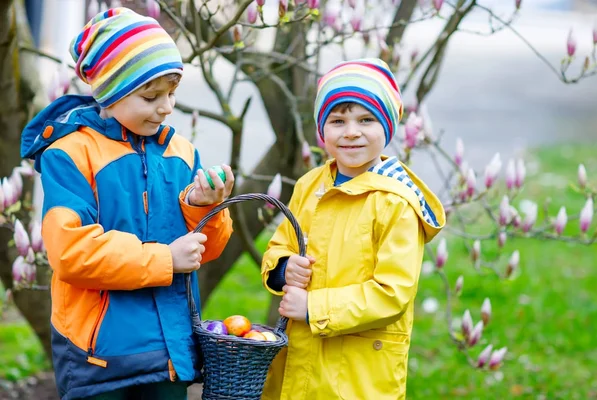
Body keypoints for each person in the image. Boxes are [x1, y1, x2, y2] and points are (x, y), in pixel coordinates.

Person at [20, 7, 234, 400]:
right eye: (151, 96)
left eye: (172, 94)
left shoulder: (182, 153)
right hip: (100, 358)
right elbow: (71, 253)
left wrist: (205, 207)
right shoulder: (70, 155)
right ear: (110, 92)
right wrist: (165, 259)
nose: (167, 107)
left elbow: (209, 249)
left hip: (169, 354)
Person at [261, 58, 446, 400]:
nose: (350, 131)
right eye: (337, 120)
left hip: (357, 375)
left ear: (388, 128)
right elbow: (279, 245)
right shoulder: (309, 185)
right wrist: (284, 268)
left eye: (366, 119)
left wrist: (313, 308)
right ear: (322, 131)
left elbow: (393, 293)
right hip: (297, 360)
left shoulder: (395, 202)